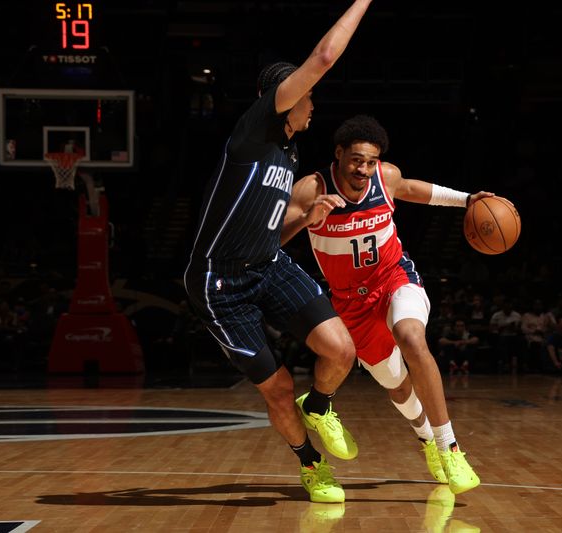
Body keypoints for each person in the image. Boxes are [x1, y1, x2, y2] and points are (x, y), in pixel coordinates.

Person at [183, 0, 373, 504]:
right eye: (310, 95)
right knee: (278, 387)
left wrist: (304, 221)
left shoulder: (288, 153)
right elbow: (325, 55)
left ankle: (323, 401)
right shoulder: (255, 129)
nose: (315, 105)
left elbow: (268, 233)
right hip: (220, 285)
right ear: (289, 97)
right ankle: (311, 465)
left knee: (341, 350)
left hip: (267, 265)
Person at [281, 114, 488, 494]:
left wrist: (467, 200)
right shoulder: (310, 189)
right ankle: (426, 439)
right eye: (356, 160)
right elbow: (271, 240)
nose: (363, 169)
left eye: (370, 161)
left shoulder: (384, 178)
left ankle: (450, 447)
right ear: (339, 154)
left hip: (395, 277)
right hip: (350, 302)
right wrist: (308, 218)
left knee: (411, 338)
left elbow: (412, 188)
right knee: (397, 386)